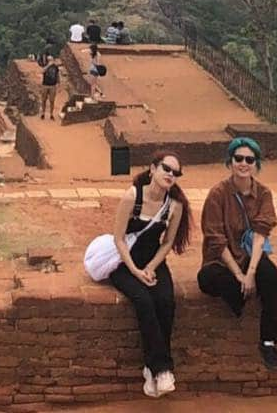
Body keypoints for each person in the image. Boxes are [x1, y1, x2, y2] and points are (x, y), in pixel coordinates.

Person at [108, 152, 192, 398]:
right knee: (143, 301)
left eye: (175, 173)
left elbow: (167, 243)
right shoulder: (133, 196)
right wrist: (135, 270)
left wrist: (152, 267)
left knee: (165, 301)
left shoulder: (174, 206)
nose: (170, 175)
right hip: (124, 263)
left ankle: (151, 368)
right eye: (166, 169)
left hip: (153, 262)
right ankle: (163, 368)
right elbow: (119, 238)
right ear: (152, 168)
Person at [198, 137, 277, 372]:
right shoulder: (218, 193)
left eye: (249, 159)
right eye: (238, 158)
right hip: (222, 258)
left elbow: (260, 234)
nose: (243, 163)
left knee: (272, 280)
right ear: (230, 161)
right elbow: (215, 238)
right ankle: (238, 297)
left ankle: (268, 340)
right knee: (207, 280)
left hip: (249, 255)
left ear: (256, 164)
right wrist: (239, 275)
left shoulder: (263, 193)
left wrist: (252, 272)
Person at [39, 54, 61, 120]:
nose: (50, 60)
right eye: (49, 59)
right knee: (43, 100)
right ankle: (43, 113)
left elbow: (57, 75)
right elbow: (42, 71)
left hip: (53, 85)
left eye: (51, 59)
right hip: (45, 85)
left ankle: (51, 114)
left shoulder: (55, 67)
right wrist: (48, 65)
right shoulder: (45, 65)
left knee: (52, 100)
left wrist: (59, 83)